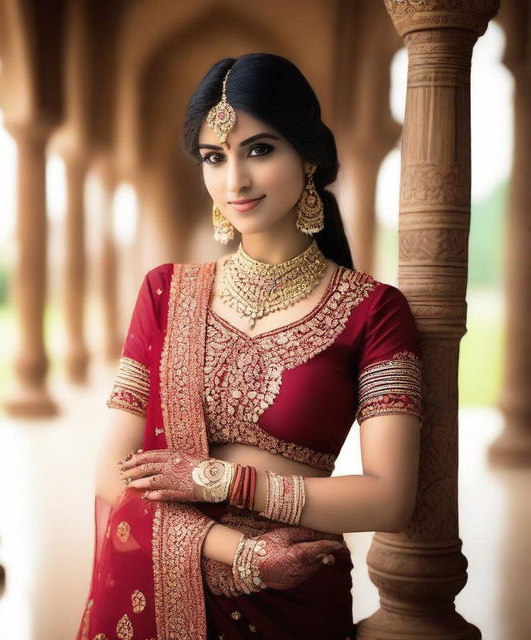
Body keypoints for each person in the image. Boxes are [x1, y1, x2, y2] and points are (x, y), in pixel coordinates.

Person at [75, 53, 424, 640]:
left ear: (309, 156)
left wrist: (221, 482)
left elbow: (390, 498)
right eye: (215, 157)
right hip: (177, 577)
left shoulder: (374, 310)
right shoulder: (165, 293)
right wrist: (239, 551)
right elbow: (114, 475)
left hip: (295, 594)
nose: (233, 180)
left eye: (259, 150)